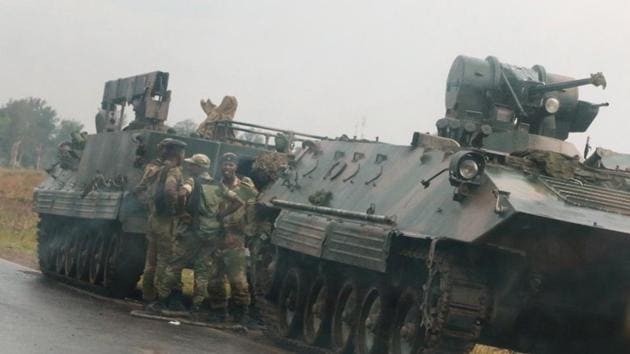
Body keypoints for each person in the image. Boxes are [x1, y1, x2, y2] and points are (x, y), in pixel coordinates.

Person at [159, 153, 226, 317]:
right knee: (203, 270)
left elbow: (182, 194)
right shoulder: (218, 184)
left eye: (192, 165)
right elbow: (236, 201)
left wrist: (182, 212)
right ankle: (197, 306)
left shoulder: (192, 181)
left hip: (193, 231)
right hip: (211, 232)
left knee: (175, 265)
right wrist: (220, 216)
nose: (189, 167)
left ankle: (162, 299)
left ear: (199, 167)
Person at [207, 152, 259, 325]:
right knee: (215, 277)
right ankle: (218, 310)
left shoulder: (245, 185)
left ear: (236, 167)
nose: (227, 168)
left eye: (231, 165)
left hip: (236, 236)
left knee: (238, 280)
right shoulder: (216, 186)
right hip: (217, 236)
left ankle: (241, 314)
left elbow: (253, 205)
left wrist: (250, 229)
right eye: (224, 164)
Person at [139, 138, 189, 312]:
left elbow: (143, 189)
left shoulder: (155, 169)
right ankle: (161, 299)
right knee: (165, 261)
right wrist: (178, 209)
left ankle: (147, 296)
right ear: (179, 154)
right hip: (166, 222)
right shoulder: (173, 171)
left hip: (153, 219)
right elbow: (169, 190)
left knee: (150, 261)